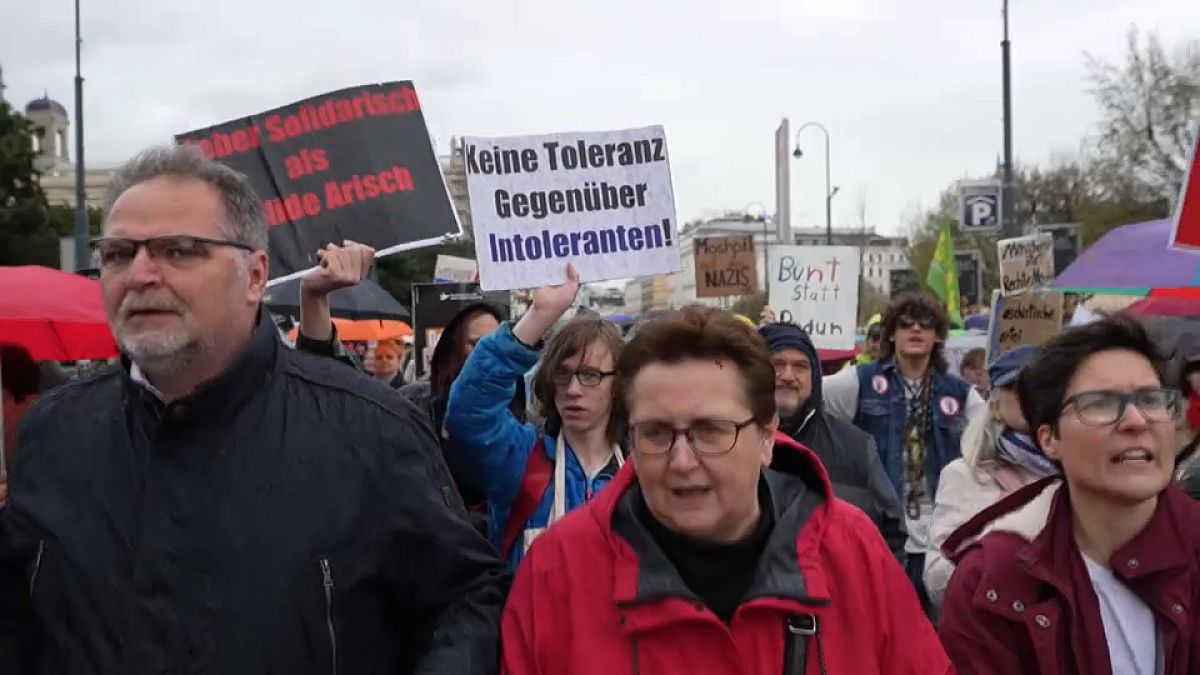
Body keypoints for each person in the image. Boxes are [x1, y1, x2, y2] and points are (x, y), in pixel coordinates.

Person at [0, 145, 507, 674]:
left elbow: (467, 598)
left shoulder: (369, 427)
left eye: (179, 250)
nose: (140, 274)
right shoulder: (51, 434)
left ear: (255, 276)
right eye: (118, 253)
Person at [500, 306, 952, 674]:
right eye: (656, 433)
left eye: (711, 431)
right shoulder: (557, 570)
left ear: (767, 436)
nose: (681, 461)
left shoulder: (853, 553)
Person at [939, 315, 1200, 675]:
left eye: (1152, 399)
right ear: (1049, 440)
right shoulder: (993, 582)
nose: (1137, 421)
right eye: (1101, 404)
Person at [445, 265, 625, 572]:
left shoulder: (645, 469)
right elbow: (469, 414)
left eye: (591, 376)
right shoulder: (524, 458)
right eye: (563, 374)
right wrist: (539, 315)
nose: (573, 389)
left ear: (619, 383)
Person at [822, 291, 984, 613]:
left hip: (938, 540)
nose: (915, 330)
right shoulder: (860, 382)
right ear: (892, 333)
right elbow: (807, 402)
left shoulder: (961, 395)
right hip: (882, 536)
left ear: (937, 335)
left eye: (924, 324)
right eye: (905, 323)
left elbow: (991, 438)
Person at [923, 346, 1058, 608]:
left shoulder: (1080, 472)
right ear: (995, 405)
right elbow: (937, 580)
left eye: (1046, 387)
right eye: (1019, 389)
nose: (1035, 397)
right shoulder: (966, 475)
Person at [758, 322, 906, 559]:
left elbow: (891, 535)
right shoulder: (727, 442)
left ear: (814, 377)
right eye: (776, 364)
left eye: (800, 367)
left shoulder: (856, 447)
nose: (787, 376)